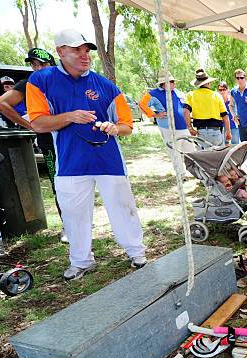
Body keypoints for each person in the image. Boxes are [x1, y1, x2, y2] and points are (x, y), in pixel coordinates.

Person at [26, 29, 146, 281]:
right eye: (76, 50)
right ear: (60, 52)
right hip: (70, 162)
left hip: (108, 159)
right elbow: (38, 123)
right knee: (73, 212)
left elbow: (127, 126)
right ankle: (80, 260)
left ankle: (136, 252)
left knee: (123, 207)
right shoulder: (41, 80)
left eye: (86, 50)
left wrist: (115, 128)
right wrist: (70, 116)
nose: (84, 56)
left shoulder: (105, 85)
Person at [0, 48, 66, 241]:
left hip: (71, 140)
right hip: (49, 141)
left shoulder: (64, 80)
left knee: (79, 183)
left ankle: (81, 221)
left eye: (43, 64)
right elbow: (1, 104)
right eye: (34, 65)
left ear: (53, 64)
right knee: (57, 184)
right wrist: (30, 125)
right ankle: (67, 226)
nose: (38, 68)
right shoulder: (28, 84)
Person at [139, 71, 190, 155]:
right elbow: (142, 104)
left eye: (173, 81)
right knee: (175, 153)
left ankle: (190, 168)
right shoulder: (154, 94)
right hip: (168, 128)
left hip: (183, 127)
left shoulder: (177, 92)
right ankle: (179, 168)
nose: (174, 84)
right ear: (164, 83)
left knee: (190, 152)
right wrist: (155, 115)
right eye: (172, 82)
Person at [184, 69, 231, 147]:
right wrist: (228, 132)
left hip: (201, 132)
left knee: (203, 158)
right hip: (216, 132)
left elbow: (186, 111)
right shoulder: (216, 95)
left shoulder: (191, 95)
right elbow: (225, 116)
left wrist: (190, 128)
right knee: (218, 157)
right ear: (208, 82)